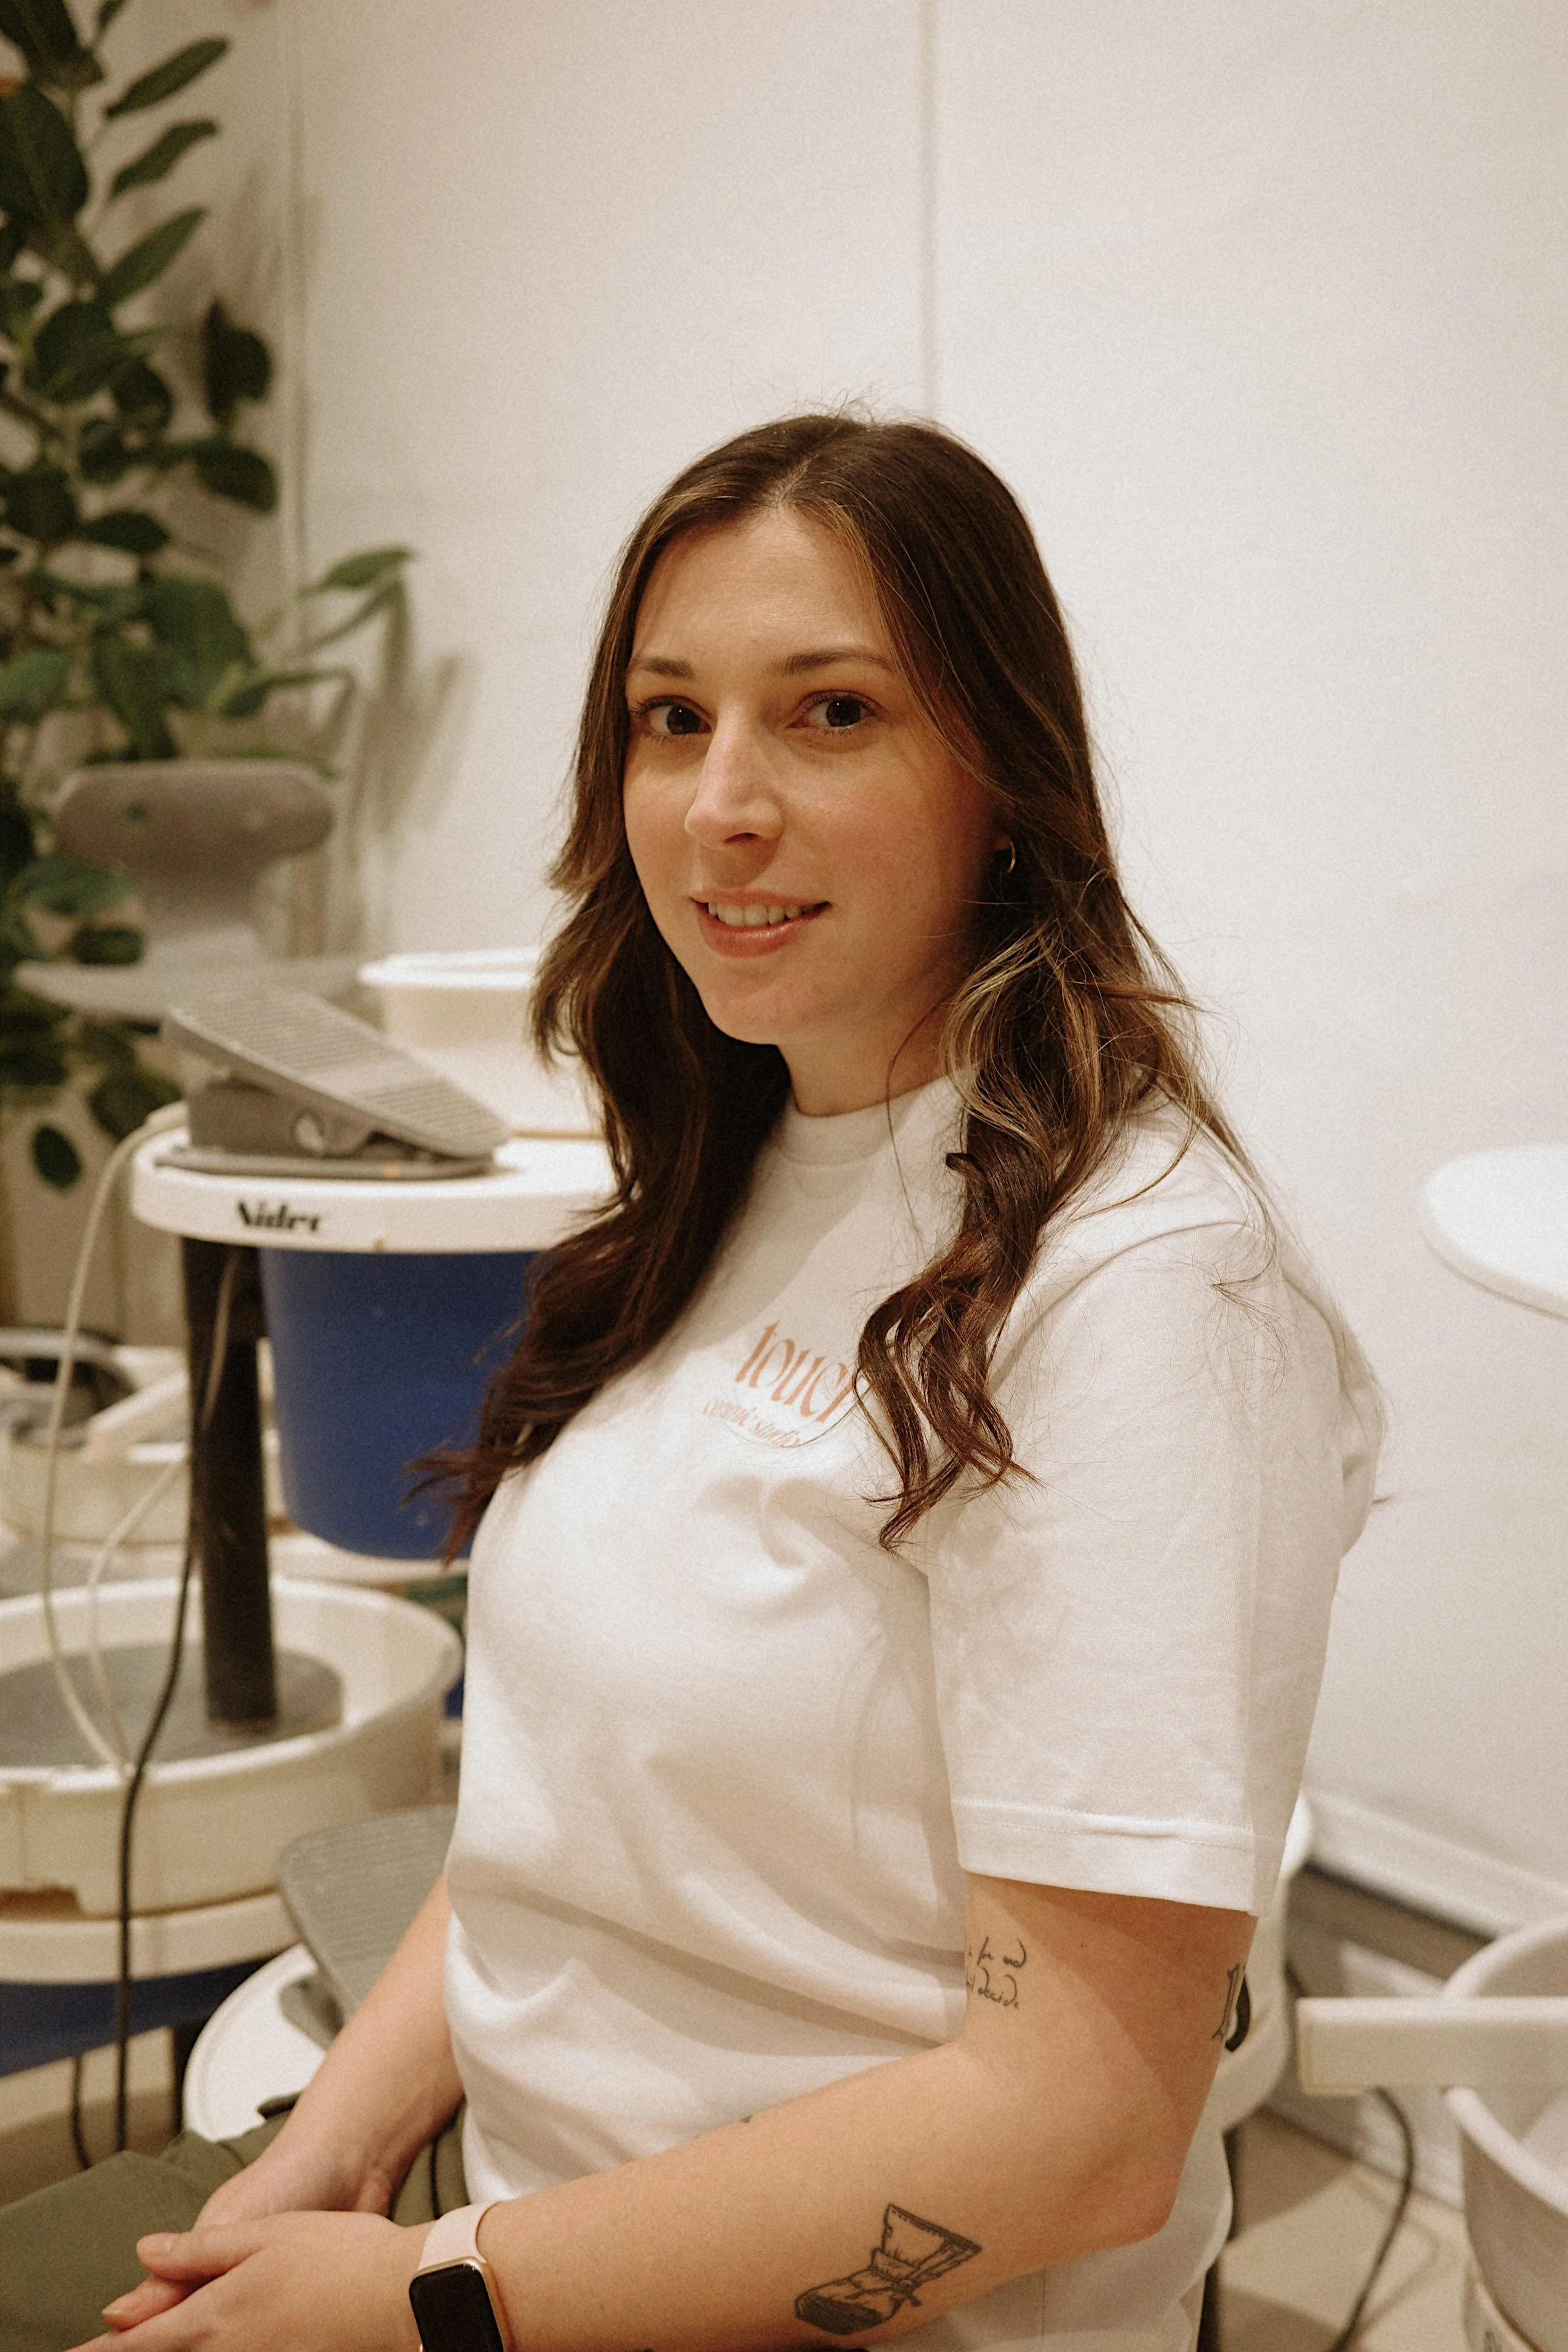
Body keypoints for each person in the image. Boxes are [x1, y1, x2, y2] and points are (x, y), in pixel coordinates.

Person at [0, 412, 1379, 2352]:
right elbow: (566, 1813)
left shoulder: (1141, 1290)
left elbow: (1080, 2129)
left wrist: (426, 2302)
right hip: (496, 2235)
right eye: (670, 719)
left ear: (1001, 768)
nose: (721, 802)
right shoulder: (730, 1161)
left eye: (827, 714)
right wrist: (333, 2140)